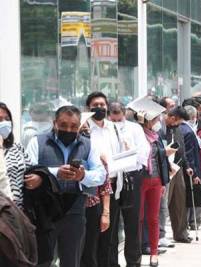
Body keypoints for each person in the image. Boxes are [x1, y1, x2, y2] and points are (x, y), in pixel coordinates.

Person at [26, 105, 106, 267]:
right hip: (44, 210)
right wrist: (56, 173)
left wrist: (83, 175)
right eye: (63, 125)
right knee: (42, 260)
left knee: (72, 260)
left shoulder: (88, 145)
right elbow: (28, 172)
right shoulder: (37, 142)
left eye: (73, 126)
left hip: (75, 209)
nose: (68, 130)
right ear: (54, 123)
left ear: (79, 126)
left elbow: (100, 175)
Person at [82, 92, 122, 267]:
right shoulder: (84, 128)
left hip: (113, 183)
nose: (99, 108)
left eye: (102, 105)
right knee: (92, 236)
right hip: (94, 188)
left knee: (110, 235)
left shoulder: (113, 128)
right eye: (95, 105)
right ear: (88, 108)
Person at [130, 97, 171, 267]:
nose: (157, 122)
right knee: (137, 218)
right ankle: (136, 251)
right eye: (154, 119)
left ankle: (154, 253)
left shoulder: (156, 136)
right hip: (140, 181)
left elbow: (160, 160)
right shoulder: (136, 134)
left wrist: (162, 182)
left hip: (155, 180)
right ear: (146, 121)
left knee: (153, 218)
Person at [108, 102, 150, 267]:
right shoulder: (105, 129)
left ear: (124, 113)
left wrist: (128, 154)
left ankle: (133, 262)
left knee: (132, 222)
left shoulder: (134, 129)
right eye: (113, 115)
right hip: (112, 178)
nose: (116, 119)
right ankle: (111, 262)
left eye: (119, 115)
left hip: (131, 177)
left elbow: (143, 153)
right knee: (111, 224)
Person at [158, 103, 193, 243]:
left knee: (179, 200)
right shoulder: (159, 128)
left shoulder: (177, 128)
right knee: (163, 202)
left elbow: (181, 148)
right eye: (178, 121)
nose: (179, 124)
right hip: (163, 167)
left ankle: (181, 233)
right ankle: (160, 234)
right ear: (172, 117)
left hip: (177, 167)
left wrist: (187, 166)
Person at [181, 106, 201, 219]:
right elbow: (189, 155)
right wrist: (195, 173)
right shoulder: (188, 131)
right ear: (194, 117)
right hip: (190, 169)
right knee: (190, 197)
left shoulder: (181, 128)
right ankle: (190, 221)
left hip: (184, 168)